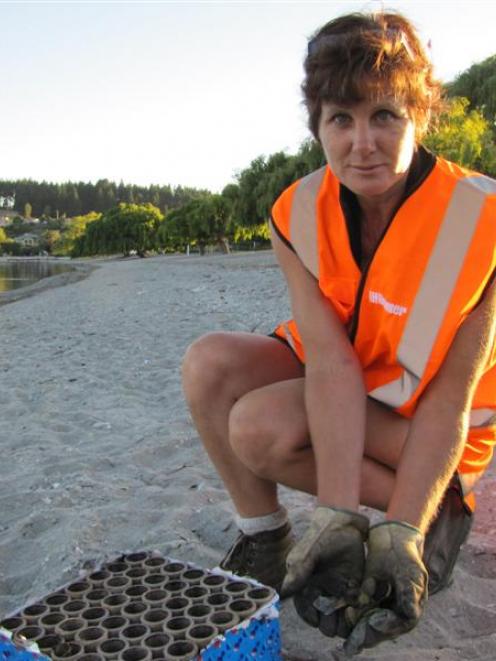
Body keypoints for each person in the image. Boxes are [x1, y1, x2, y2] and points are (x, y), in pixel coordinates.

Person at [182, 10, 496, 655]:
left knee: (260, 427)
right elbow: (330, 365)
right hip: (356, 384)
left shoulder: (485, 217)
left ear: (421, 118)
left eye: (385, 115)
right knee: (210, 364)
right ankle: (269, 538)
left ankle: (435, 518)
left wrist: (402, 527)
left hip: (431, 428)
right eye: (340, 119)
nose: (363, 143)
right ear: (317, 126)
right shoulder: (295, 210)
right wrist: (333, 512)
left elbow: (451, 398)